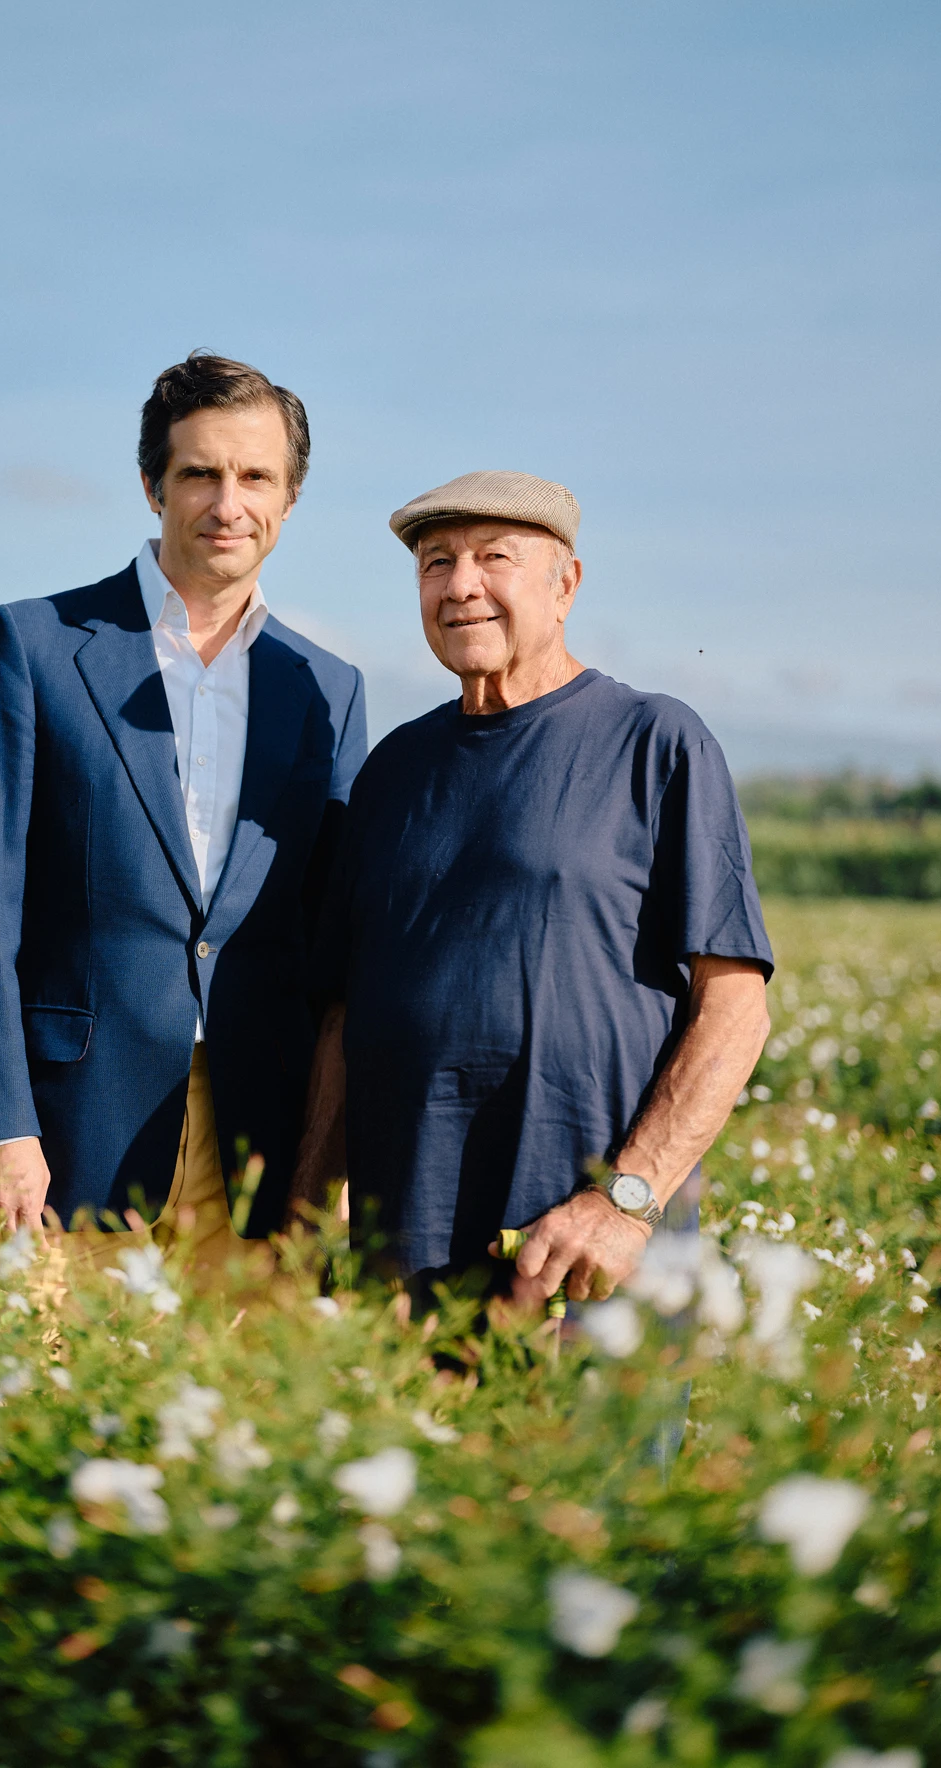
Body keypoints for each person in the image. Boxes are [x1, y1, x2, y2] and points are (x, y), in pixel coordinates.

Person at [290, 470, 771, 1309]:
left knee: (587, 1446)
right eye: (436, 563)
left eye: (494, 557)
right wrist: (304, 1214)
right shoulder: (391, 772)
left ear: (566, 584)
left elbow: (734, 1007)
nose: (461, 585)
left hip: (584, 1254)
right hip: (402, 1253)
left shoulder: (655, 744)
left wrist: (625, 1202)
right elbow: (343, 1016)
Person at [0, 352, 366, 1260]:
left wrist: (324, 1159)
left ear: (289, 500)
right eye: (199, 473)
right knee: (43, 1392)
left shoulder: (328, 688)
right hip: (63, 1137)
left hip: (259, 1140)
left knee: (224, 1401)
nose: (228, 503)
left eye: (256, 477)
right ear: (150, 485)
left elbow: (330, 940)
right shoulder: (36, 644)